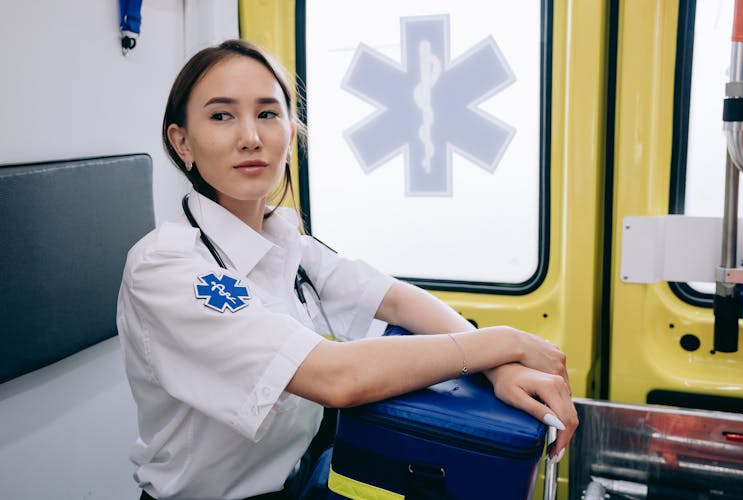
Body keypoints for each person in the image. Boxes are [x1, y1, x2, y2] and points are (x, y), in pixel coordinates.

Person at [116, 38, 578, 500]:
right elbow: (336, 378)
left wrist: (499, 369)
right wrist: (505, 341)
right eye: (221, 116)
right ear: (182, 143)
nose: (251, 137)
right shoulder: (166, 266)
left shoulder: (286, 242)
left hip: (298, 482)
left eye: (267, 113)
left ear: (290, 132)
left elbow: (395, 298)